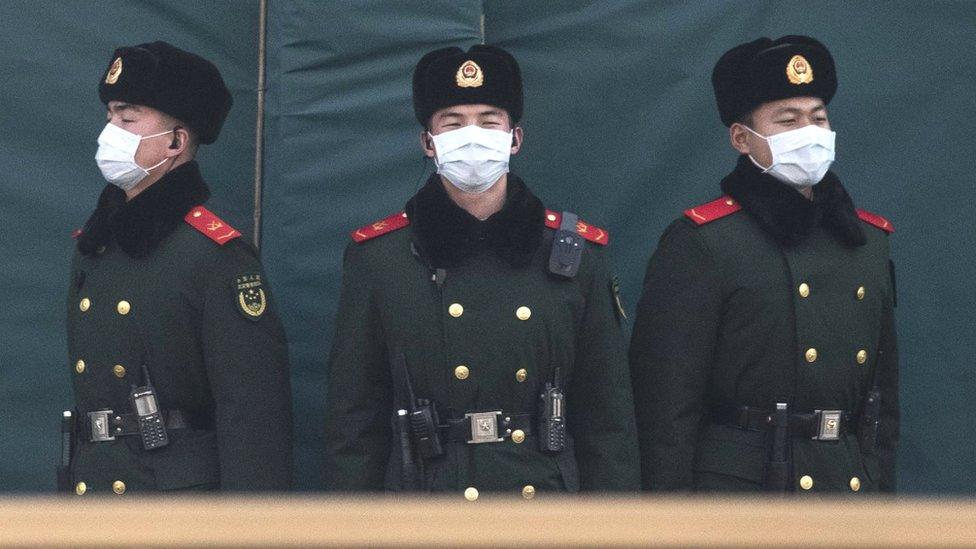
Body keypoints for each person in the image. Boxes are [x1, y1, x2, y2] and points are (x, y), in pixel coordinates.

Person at [325, 45, 639, 499]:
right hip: (428, 505)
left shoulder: (575, 255)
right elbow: (354, 426)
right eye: (452, 122)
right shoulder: (380, 259)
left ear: (515, 138)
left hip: (543, 507)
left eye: (489, 121)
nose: (472, 136)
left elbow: (608, 424)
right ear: (428, 142)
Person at [630, 36, 898, 493]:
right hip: (745, 492)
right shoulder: (704, 243)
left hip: (846, 487)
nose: (808, 132)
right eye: (787, 121)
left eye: (818, 118)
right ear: (741, 138)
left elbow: (884, 404)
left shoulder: (867, 241)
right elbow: (665, 411)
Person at [64, 41, 292, 494]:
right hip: (97, 491)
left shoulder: (214, 254)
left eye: (128, 120)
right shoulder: (95, 246)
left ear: (175, 141)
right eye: (110, 116)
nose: (111, 131)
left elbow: (252, 412)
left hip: (176, 500)